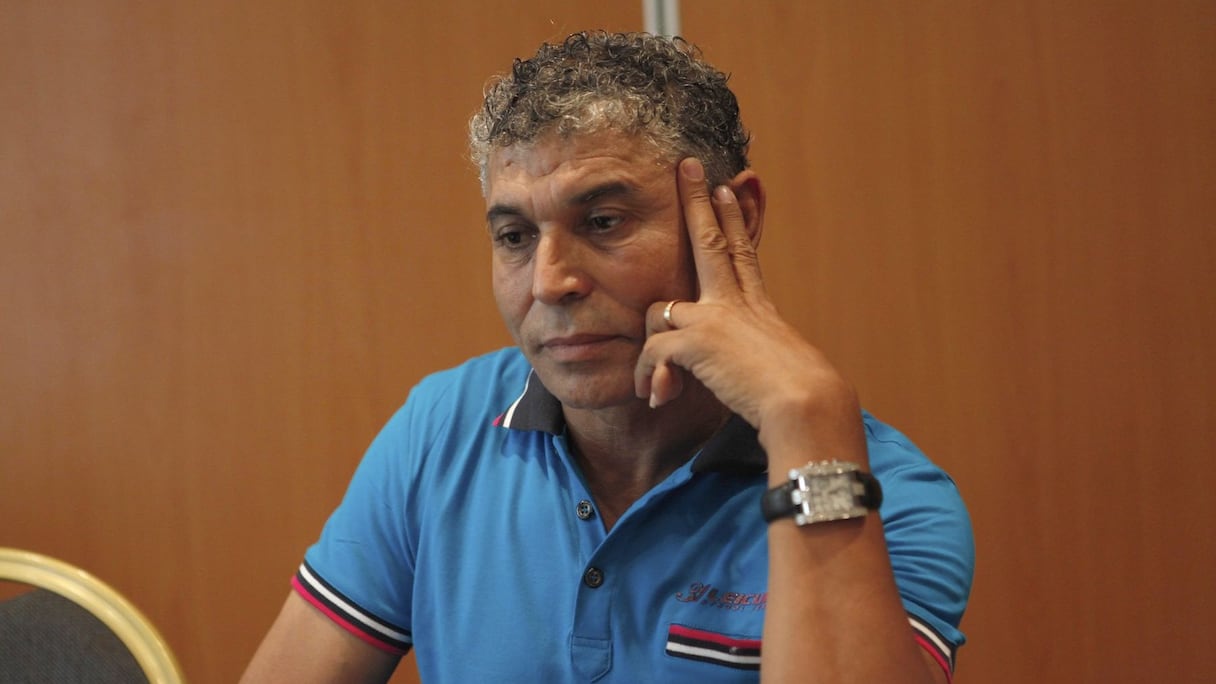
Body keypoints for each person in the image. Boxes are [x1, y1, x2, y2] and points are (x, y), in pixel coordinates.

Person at [241, 31, 973, 684]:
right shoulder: (442, 430)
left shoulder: (887, 496)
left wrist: (809, 425)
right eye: (515, 237)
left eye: (602, 221)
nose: (550, 282)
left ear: (737, 219)